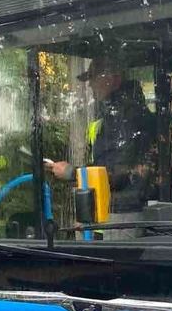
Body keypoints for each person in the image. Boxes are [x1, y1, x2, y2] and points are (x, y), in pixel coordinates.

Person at [46, 56, 157, 215]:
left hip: (124, 212)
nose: (90, 84)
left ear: (114, 79)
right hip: (118, 206)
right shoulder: (113, 114)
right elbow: (108, 161)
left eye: (94, 77)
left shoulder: (126, 118)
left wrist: (72, 173)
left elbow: (119, 172)